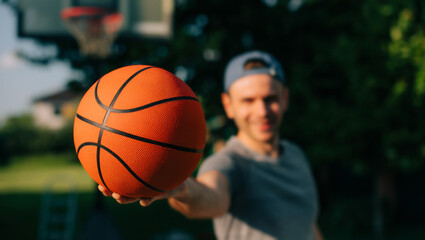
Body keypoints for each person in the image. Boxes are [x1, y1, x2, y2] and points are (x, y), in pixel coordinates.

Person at [99, 50, 323, 240]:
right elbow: (211, 197)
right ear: (228, 105)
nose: (262, 111)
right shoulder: (228, 163)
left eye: (270, 99)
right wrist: (181, 188)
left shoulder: (295, 155)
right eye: (248, 100)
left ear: (285, 98)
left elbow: (308, 225)